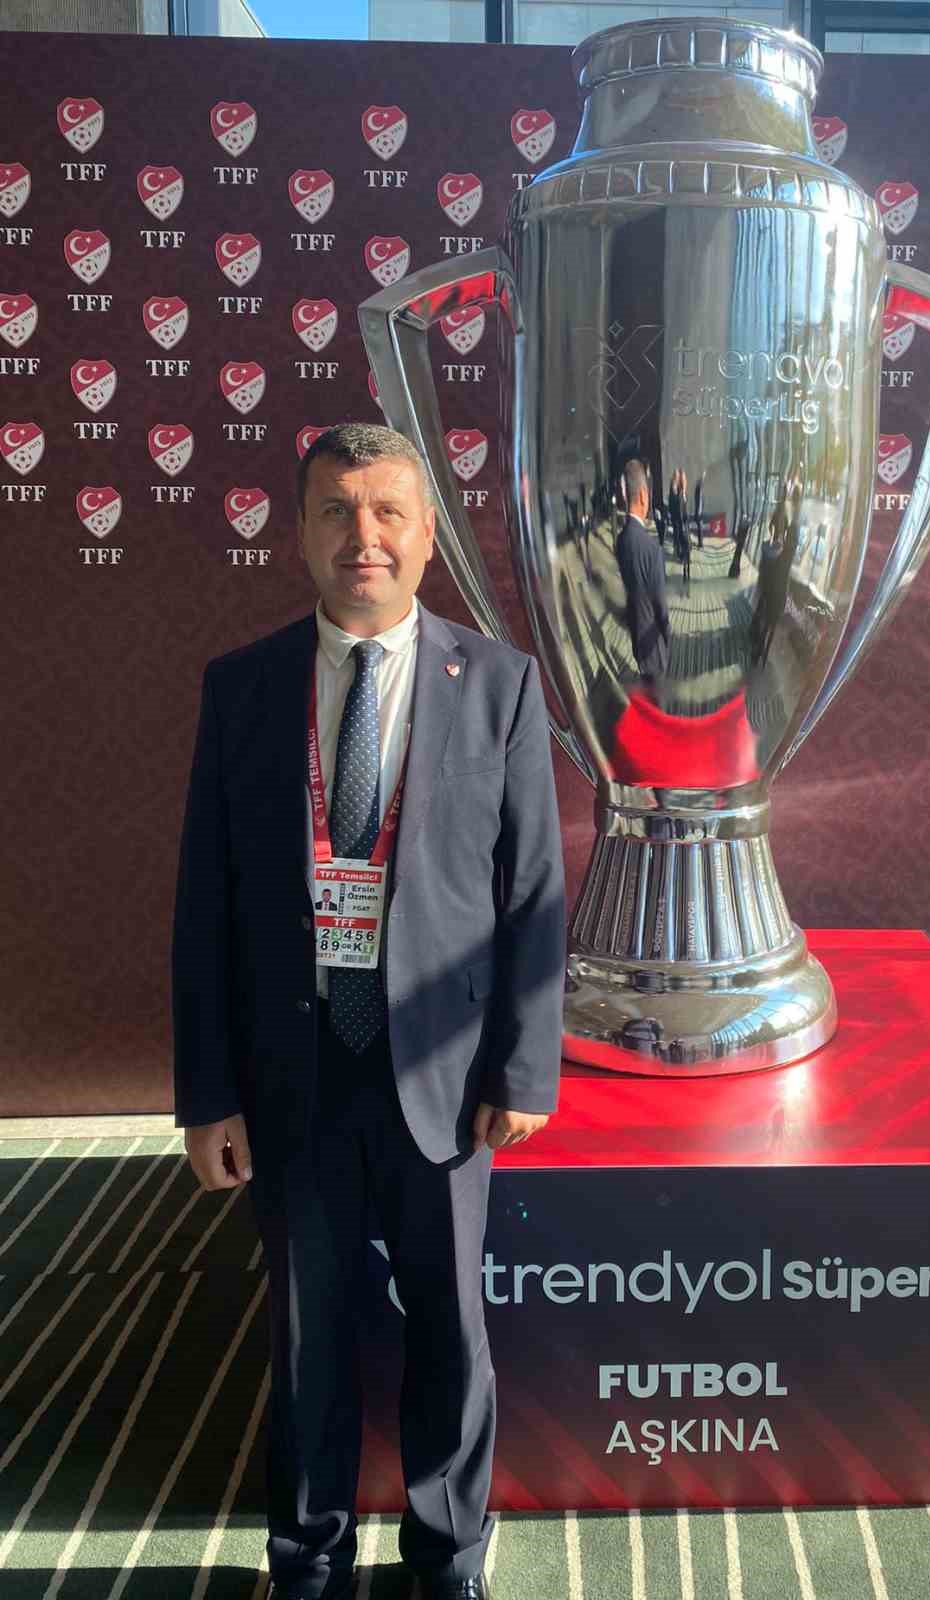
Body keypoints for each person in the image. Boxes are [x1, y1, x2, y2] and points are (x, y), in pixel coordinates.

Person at [172, 422, 565, 1600]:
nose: (364, 536)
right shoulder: (241, 687)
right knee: (309, 1336)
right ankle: (308, 1559)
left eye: (389, 510)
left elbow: (532, 892)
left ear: (428, 534)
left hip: (443, 1071)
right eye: (337, 511)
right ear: (299, 532)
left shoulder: (497, 684)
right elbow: (205, 902)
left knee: (449, 1327)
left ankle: (447, 1559)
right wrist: (207, 1093)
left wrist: (525, 1070)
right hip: (292, 1071)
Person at [613, 458, 671, 687]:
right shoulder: (651, 548)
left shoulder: (621, 540)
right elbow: (660, 605)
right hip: (653, 644)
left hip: (636, 633)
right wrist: (667, 637)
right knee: (658, 697)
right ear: (644, 495)